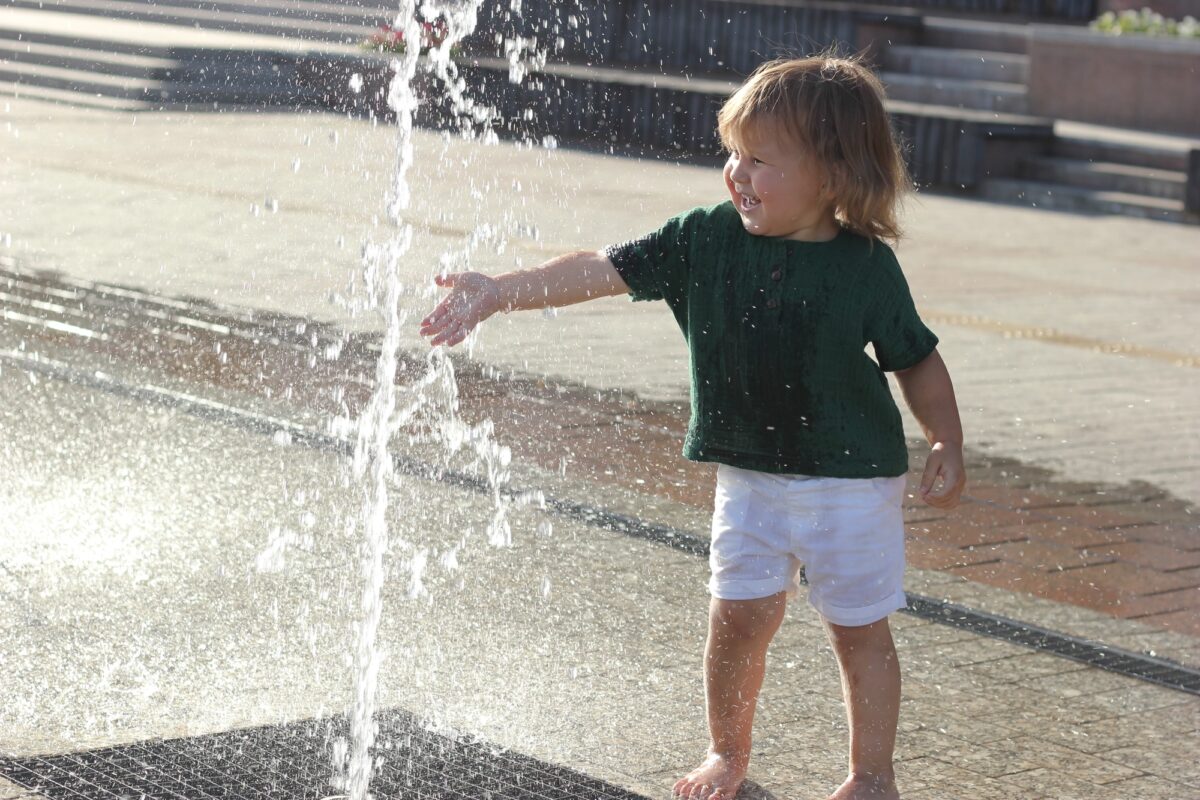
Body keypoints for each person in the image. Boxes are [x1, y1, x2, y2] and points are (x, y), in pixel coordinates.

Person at [419, 53, 966, 800]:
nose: (737, 173)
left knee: (858, 630)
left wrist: (944, 440)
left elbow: (917, 360)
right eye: (732, 154)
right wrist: (499, 291)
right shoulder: (704, 239)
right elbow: (602, 269)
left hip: (852, 481)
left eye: (761, 160)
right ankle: (726, 752)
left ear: (833, 175)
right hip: (748, 477)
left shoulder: (864, 268)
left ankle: (872, 774)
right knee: (736, 619)